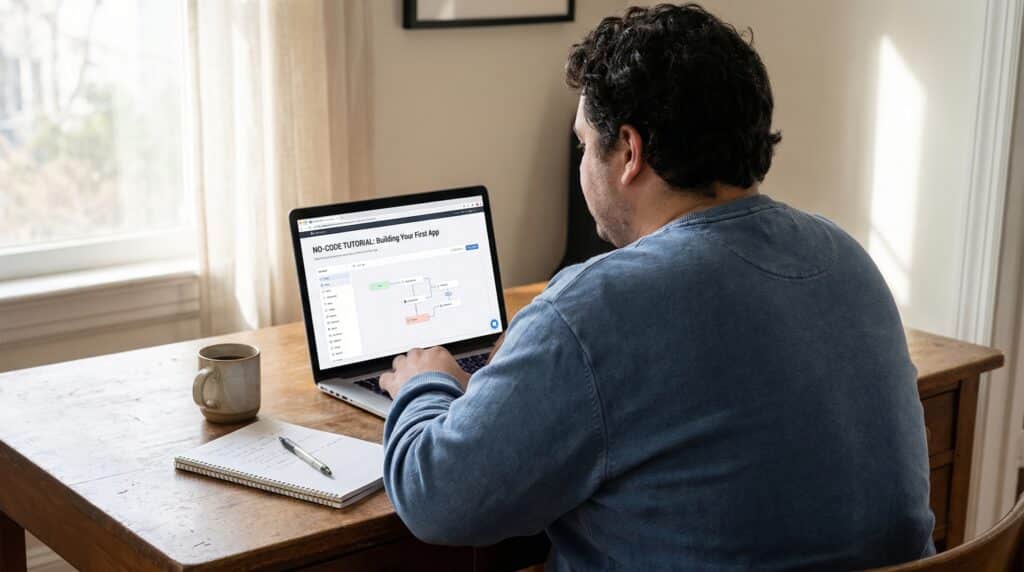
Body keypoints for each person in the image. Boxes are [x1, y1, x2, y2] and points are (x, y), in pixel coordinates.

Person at [379, 3, 934, 570]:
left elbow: (438, 499)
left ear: (628, 152)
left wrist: (427, 385)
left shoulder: (593, 309)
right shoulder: (847, 256)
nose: (580, 164)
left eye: (582, 145)